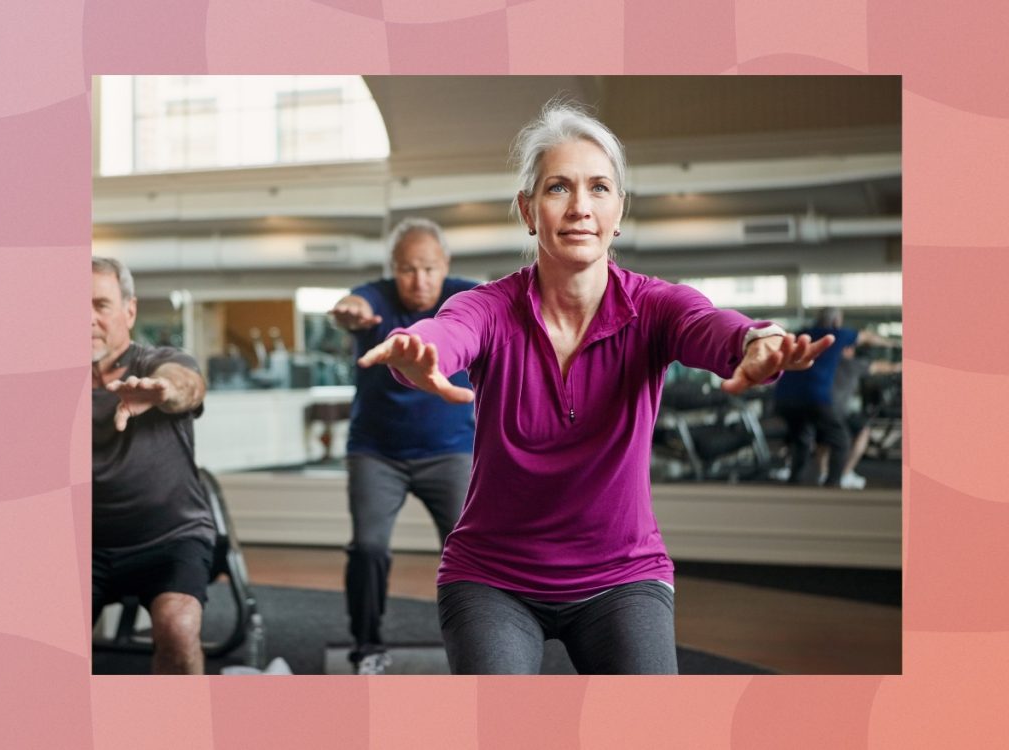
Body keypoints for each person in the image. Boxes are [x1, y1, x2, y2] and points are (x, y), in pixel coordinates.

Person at [357, 101, 833, 675]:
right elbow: (449, 332)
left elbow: (712, 325)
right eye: (558, 188)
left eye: (599, 188)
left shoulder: (656, 306)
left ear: (619, 209)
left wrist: (758, 341)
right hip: (493, 578)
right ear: (528, 210)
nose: (580, 207)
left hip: (622, 577)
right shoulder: (487, 306)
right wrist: (420, 352)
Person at [330, 218, 477, 674]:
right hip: (377, 454)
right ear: (394, 268)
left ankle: (477, 645)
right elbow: (353, 305)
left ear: (445, 265)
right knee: (369, 547)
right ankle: (368, 646)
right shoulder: (375, 297)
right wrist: (347, 312)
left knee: (471, 548)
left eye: (429, 268)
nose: (420, 280)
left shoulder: (465, 296)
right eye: (408, 270)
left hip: (450, 452)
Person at [91, 256, 214, 674]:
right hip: (81, 545)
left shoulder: (157, 363)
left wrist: (164, 390)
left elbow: (187, 385)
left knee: (178, 629)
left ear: (130, 309)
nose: (85, 319)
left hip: (168, 538)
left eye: (100, 305)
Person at [774, 307, 891, 488]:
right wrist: (892, 343)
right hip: (813, 396)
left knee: (802, 439)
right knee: (841, 440)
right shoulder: (836, 335)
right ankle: (832, 486)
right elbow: (867, 337)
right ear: (837, 321)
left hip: (784, 396)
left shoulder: (801, 334)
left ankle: (794, 483)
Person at [818, 342, 902, 489]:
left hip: (823, 411)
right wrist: (900, 366)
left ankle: (824, 474)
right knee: (861, 432)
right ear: (845, 350)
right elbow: (880, 367)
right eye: (850, 348)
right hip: (835, 413)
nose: (852, 351)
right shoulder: (851, 365)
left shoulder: (825, 363)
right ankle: (844, 474)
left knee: (825, 438)